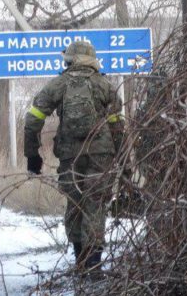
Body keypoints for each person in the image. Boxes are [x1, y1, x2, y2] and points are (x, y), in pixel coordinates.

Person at [23, 40, 124, 270]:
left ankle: (80, 262)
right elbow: (118, 127)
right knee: (95, 204)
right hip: (101, 154)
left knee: (75, 203)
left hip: (70, 156)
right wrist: (124, 161)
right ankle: (94, 265)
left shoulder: (58, 85)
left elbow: (33, 120)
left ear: (69, 60)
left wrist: (33, 155)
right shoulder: (104, 85)